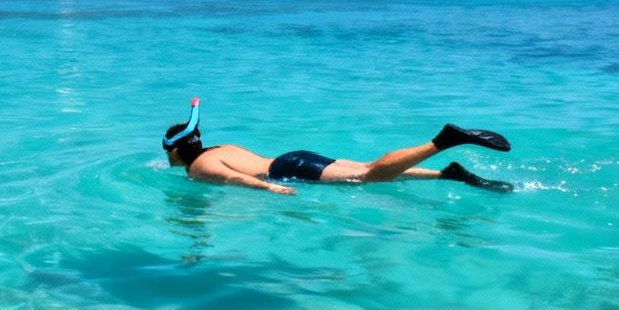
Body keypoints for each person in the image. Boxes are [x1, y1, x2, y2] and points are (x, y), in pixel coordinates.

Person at [160, 99, 515, 194]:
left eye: (168, 152)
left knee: (368, 176)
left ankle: (443, 142)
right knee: (369, 167)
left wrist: (270, 189)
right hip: (293, 157)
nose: (168, 158)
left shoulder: (199, 168)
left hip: (286, 170)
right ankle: (445, 175)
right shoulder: (220, 147)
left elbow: (235, 180)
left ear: (177, 151)